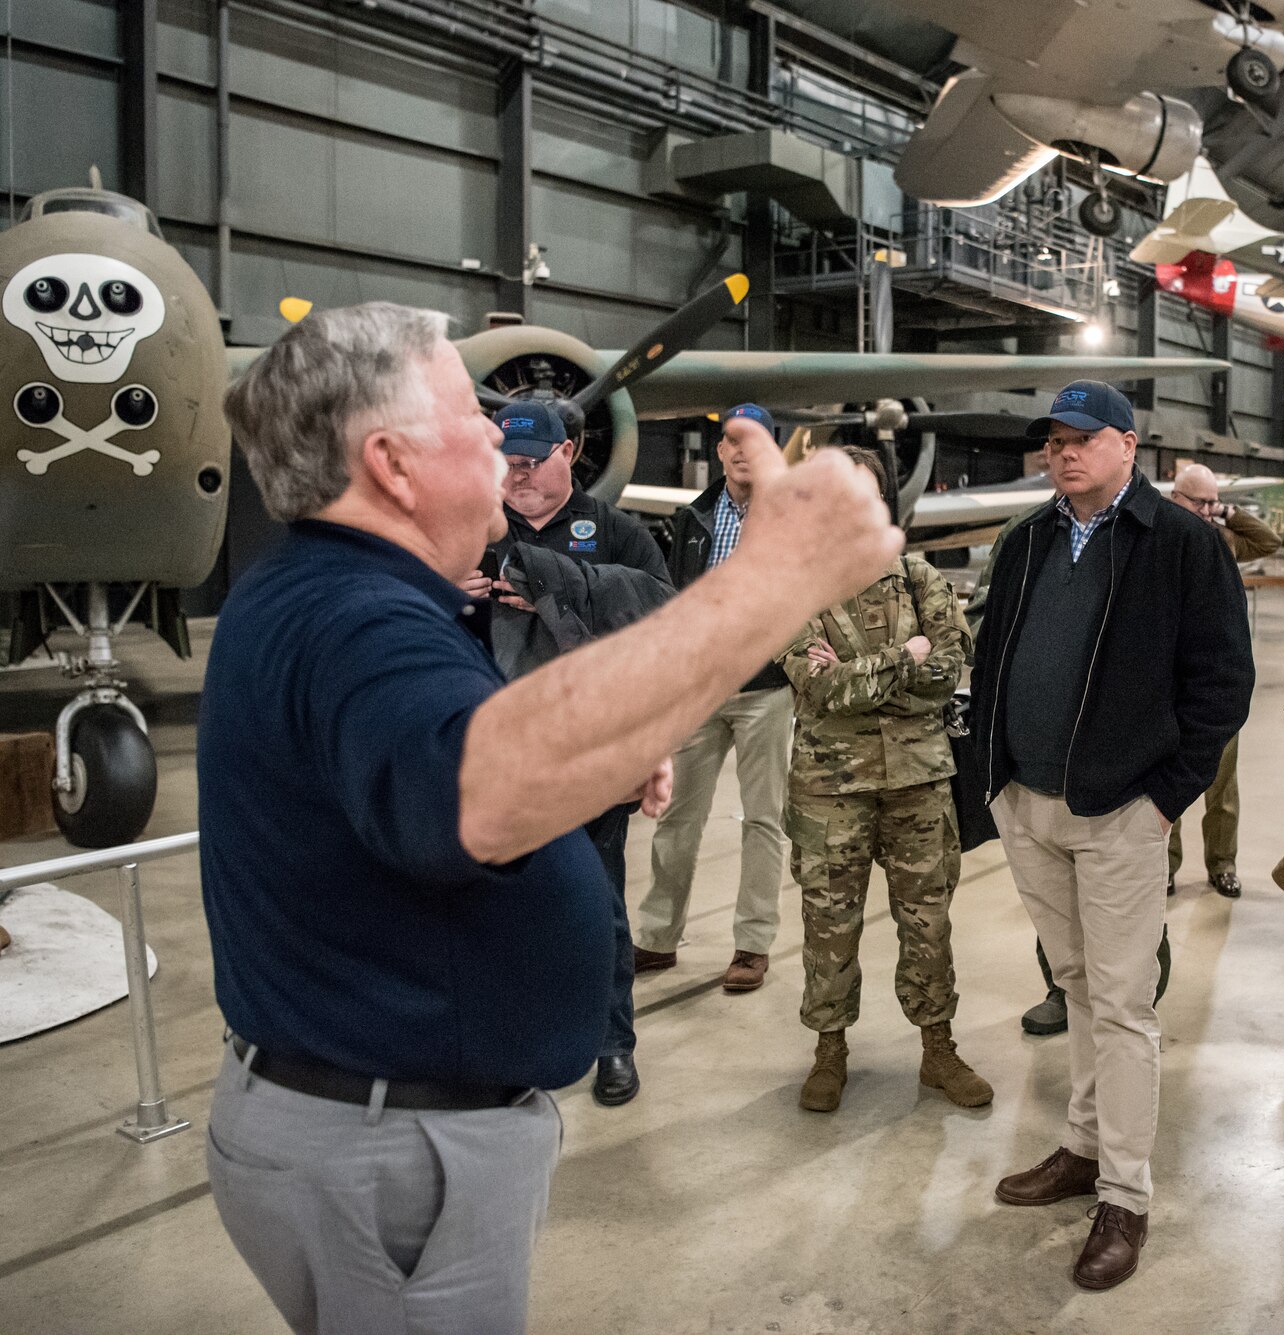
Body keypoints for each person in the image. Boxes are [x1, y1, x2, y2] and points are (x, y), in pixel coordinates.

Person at [198, 303, 897, 1334]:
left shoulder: (343, 593)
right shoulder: (350, 616)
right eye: (466, 416)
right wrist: (778, 573)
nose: (495, 437)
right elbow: (469, 791)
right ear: (390, 463)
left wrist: (599, 764)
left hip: (393, 1119)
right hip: (388, 1148)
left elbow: (427, 769)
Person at [972, 380, 1254, 1291]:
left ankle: (1126, 1194)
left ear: (1129, 446)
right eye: (1053, 440)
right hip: (1030, 801)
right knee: (1079, 984)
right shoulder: (1027, 541)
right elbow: (994, 658)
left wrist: (1166, 797)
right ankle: (1084, 1146)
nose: (1064, 452)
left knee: (1125, 1003)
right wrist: (995, 778)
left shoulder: (1178, 543)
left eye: (1082, 438)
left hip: (1123, 810)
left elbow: (1223, 684)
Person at [465, 399, 672, 1107]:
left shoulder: (613, 530)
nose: (516, 475)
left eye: (530, 460)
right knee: (496, 909)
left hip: (590, 754)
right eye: (505, 462)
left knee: (598, 907)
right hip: (494, 755)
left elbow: (660, 613)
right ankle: (512, 1042)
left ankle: (612, 1044)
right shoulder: (469, 529)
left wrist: (556, 583)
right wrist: (443, 591)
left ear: (569, 453)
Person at [781, 447, 990, 1114]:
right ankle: (830, 1049)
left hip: (919, 782)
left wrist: (873, 672)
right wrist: (908, 655)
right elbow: (819, 686)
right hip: (828, 785)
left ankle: (938, 1047)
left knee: (928, 919)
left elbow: (950, 669)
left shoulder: (920, 575)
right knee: (828, 922)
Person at [635, 404, 794, 992]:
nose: (741, 449)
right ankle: (656, 936)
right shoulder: (693, 518)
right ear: (720, 450)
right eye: (731, 440)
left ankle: (752, 945)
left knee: (763, 819)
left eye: (754, 439)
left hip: (768, 688)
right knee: (678, 816)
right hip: (699, 688)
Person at [1165, 463, 1280, 899]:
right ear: (1176, 498)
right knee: (1167, 781)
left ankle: (1222, 864)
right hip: (1171, 683)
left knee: (1223, 786)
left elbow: (1268, 541)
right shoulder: (1162, 538)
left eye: (1212, 501)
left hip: (1214, 683)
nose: (1208, 510)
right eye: (1200, 502)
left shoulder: (1222, 538)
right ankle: (1165, 867)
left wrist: (1228, 513)